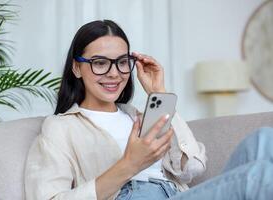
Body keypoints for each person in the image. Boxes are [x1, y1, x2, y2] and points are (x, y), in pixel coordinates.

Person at [24, 20, 273, 200]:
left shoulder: (138, 116)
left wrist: (161, 94)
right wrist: (129, 165)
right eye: (100, 63)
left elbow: (192, 169)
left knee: (264, 140)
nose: (114, 72)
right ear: (77, 69)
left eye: (122, 62)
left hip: (174, 194)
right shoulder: (60, 128)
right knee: (256, 177)